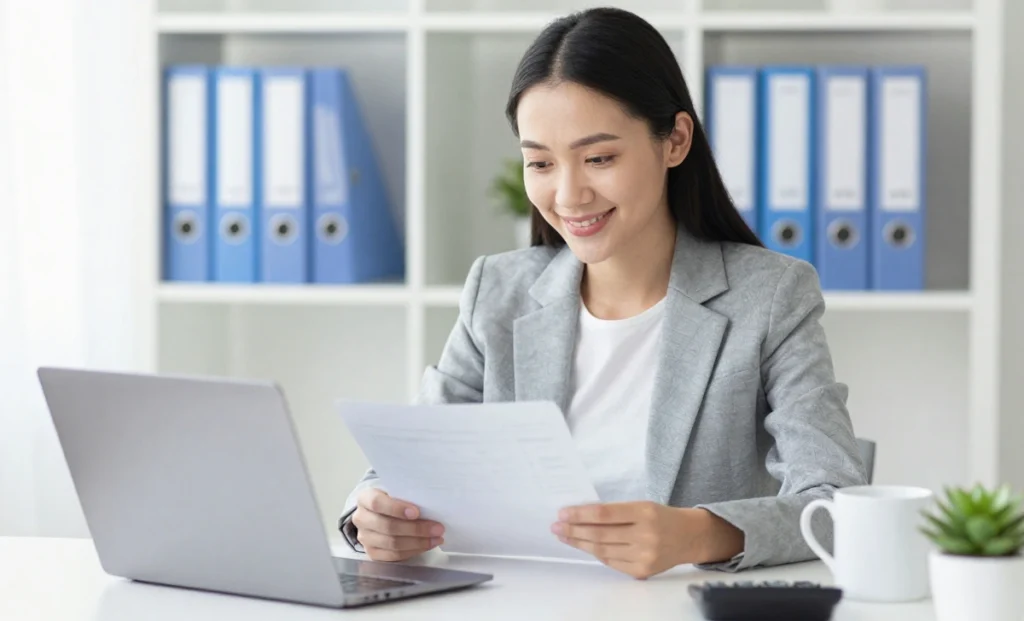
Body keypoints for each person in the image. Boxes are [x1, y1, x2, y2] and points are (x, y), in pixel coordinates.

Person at [337, 6, 867, 579]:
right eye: (540, 162)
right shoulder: (498, 290)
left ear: (675, 141)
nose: (568, 194)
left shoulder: (769, 296)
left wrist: (698, 532)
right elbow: (404, 465)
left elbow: (836, 502)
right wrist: (372, 519)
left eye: (599, 158)